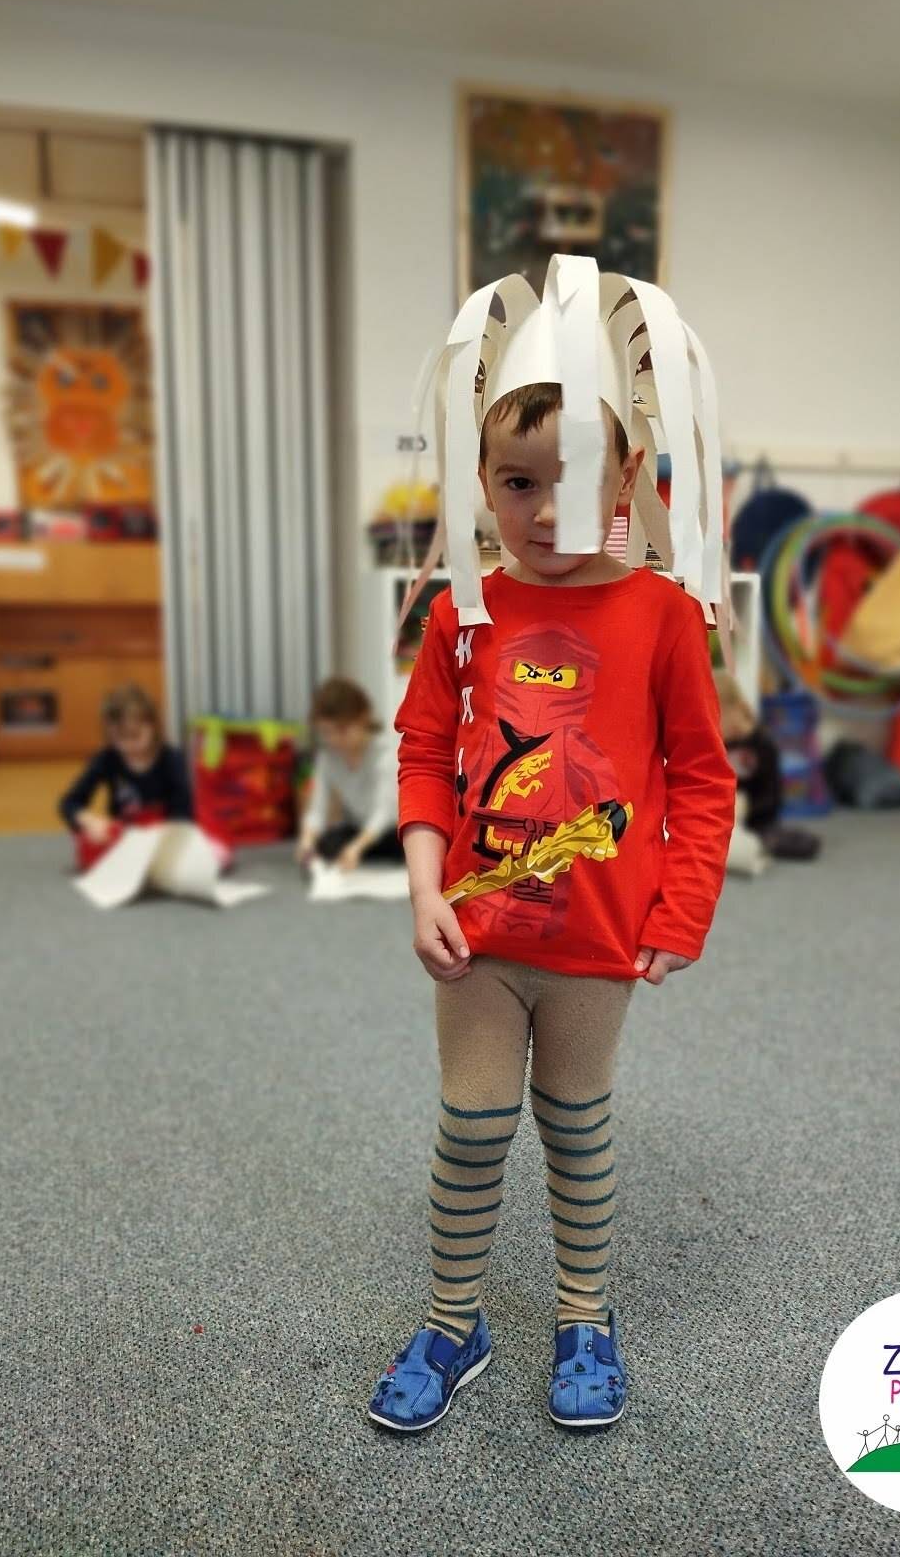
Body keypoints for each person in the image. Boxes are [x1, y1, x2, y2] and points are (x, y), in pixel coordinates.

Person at [367, 258, 735, 1435]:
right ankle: (452, 1319)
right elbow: (422, 750)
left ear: (627, 475)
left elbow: (701, 776)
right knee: (472, 1124)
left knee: (575, 1124)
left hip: (596, 937)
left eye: (573, 478)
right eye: (517, 482)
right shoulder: (459, 611)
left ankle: (583, 1314)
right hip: (476, 932)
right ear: (480, 481)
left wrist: (679, 910)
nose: (541, 509)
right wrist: (421, 887)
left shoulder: (662, 615)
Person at [59, 683, 192, 861]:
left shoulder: (172, 759)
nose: (128, 745)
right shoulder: (107, 759)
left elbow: (184, 811)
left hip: (165, 838)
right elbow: (68, 803)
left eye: (135, 736)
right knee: (90, 846)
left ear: (153, 726)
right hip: (124, 838)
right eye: (119, 738)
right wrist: (88, 820)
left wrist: (167, 835)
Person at [294, 678, 401, 871]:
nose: (334, 739)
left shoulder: (384, 754)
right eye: (326, 732)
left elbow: (385, 813)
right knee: (327, 843)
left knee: (405, 844)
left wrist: (357, 847)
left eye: (342, 730)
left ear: (363, 718)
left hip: (391, 830)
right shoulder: (328, 758)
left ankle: (361, 855)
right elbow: (318, 809)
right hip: (358, 828)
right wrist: (306, 841)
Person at [714, 670, 820, 860]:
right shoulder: (718, 747)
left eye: (716, 720)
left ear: (734, 709)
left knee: (792, 842)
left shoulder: (763, 745)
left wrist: (747, 808)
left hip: (757, 820)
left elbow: (772, 797)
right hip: (724, 819)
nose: (712, 729)